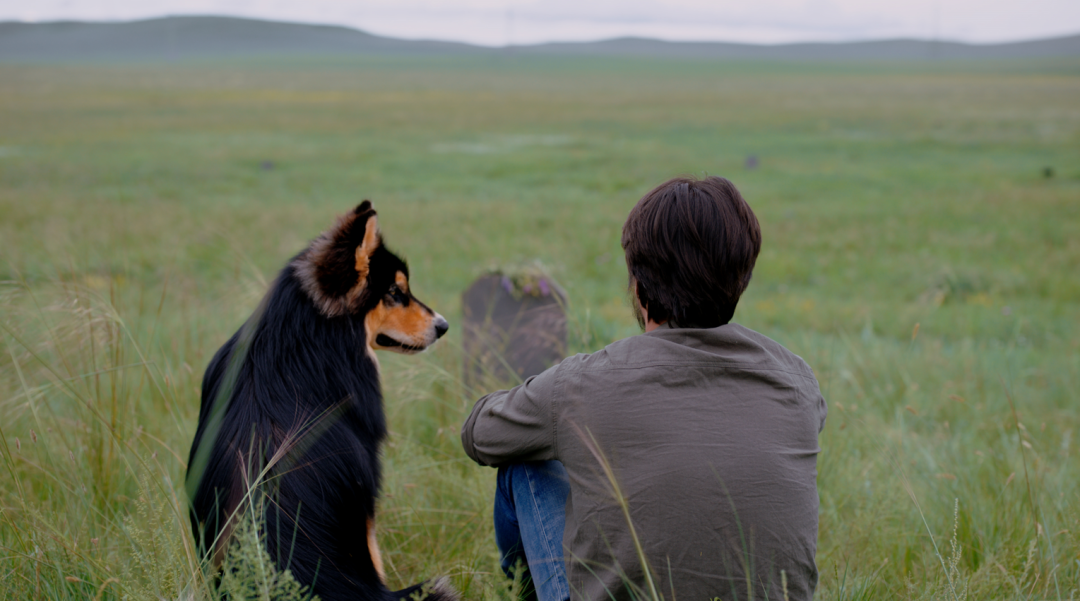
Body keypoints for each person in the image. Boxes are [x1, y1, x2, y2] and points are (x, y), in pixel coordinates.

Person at [461, 175, 828, 601]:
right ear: (742, 278)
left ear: (638, 285)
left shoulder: (580, 383)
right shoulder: (798, 381)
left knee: (523, 463)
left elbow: (479, 435)